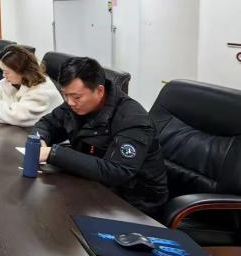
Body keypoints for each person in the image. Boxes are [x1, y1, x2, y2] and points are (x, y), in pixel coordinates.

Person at [34, 57, 169, 217]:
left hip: (134, 203)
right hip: (93, 185)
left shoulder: (132, 119)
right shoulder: (77, 103)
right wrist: (40, 141)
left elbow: (117, 171)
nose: (69, 103)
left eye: (76, 97)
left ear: (99, 91)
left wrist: (53, 154)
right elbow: (47, 123)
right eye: (65, 95)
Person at [0, 46, 62, 126]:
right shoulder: (15, 81)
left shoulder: (41, 92)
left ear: (22, 70)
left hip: (47, 140)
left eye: (6, 72)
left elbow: (15, 114)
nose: (3, 75)